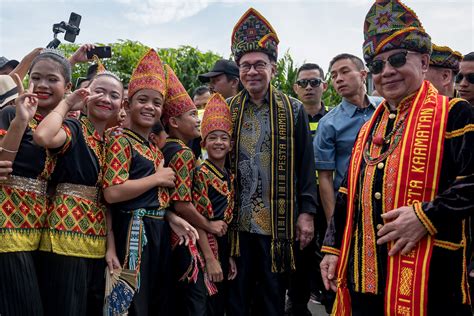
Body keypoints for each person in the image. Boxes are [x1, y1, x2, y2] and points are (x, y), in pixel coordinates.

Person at [320, 1, 474, 315]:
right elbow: (347, 192)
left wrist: (426, 216)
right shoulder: (368, 128)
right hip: (366, 275)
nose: (387, 71)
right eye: (377, 65)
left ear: (423, 60)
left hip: (429, 277)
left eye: (398, 59)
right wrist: (333, 248)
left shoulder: (454, 113)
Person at [226, 8, 318, 316]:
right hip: (235, 224)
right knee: (236, 298)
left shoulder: (293, 109)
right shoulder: (226, 109)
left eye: (259, 65)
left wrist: (306, 214)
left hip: (277, 224)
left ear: (273, 68)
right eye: (245, 65)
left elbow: (306, 166)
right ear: (238, 70)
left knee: (272, 297)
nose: (252, 72)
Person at [102, 49, 198, 316]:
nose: (149, 107)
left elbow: (151, 196)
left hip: (156, 230)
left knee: (157, 301)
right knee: (134, 303)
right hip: (132, 230)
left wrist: (171, 218)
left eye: (157, 103)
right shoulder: (121, 141)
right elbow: (112, 192)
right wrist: (157, 178)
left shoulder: (154, 149)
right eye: (142, 100)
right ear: (127, 104)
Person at [33, 59, 123, 315]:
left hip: (95, 241)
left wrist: (109, 245)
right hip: (63, 235)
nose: (106, 98)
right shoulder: (74, 128)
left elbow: (105, 200)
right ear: (86, 95)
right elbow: (43, 137)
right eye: (99, 91)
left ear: (121, 104)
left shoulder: (111, 141)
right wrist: (67, 103)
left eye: (114, 95)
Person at [0, 49, 72, 316]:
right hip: (7, 221)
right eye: (36, 77)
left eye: (52, 79)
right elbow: (4, 161)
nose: (42, 85)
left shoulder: (70, 126)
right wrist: (21, 120)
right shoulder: (10, 113)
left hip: (43, 229)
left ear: (67, 87)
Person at [161, 64, 216, 316]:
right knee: (194, 302)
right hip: (186, 239)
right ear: (173, 121)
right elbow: (182, 205)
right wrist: (210, 225)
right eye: (192, 115)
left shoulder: (168, 148)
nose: (198, 120)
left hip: (169, 235)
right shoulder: (182, 153)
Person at [314, 53, 382, 224]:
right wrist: (332, 224)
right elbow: (325, 177)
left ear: (363, 74)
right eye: (334, 75)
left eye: (345, 72)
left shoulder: (386, 107)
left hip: (391, 201)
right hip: (352, 206)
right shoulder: (328, 124)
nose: (338, 79)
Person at [286, 62, 328, 315]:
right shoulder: (288, 119)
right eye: (303, 83)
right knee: (300, 251)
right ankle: (298, 301)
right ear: (295, 87)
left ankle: (328, 296)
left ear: (324, 85)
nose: (309, 87)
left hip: (329, 197)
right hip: (300, 197)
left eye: (314, 82)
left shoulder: (334, 118)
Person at [193, 93, 237, 315]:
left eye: (223, 138)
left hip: (223, 245)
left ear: (230, 145)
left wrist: (227, 255)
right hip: (204, 247)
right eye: (212, 138)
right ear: (203, 143)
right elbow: (196, 219)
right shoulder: (200, 173)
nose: (218, 142)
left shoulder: (229, 175)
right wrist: (210, 259)